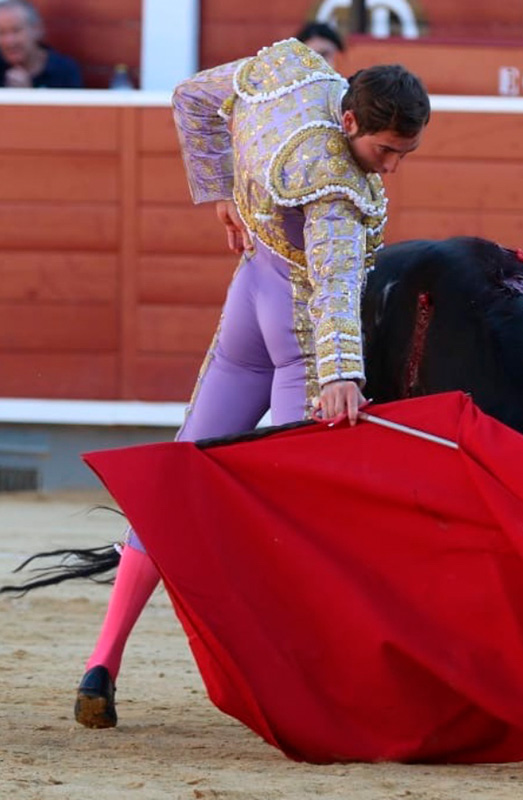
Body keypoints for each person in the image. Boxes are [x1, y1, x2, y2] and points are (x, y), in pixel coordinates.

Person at [73, 37, 430, 729]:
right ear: (351, 122)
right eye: (385, 151)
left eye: (402, 156)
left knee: (177, 479)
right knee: (297, 519)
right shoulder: (338, 190)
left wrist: (219, 192)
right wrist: (342, 376)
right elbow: (331, 286)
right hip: (295, 336)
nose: (389, 168)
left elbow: (192, 98)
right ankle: (301, 687)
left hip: (247, 305)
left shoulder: (287, 71)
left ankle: (102, 662)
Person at [0, 0, 82, 88]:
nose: (9, 41)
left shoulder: (64, 70)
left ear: (36, 29)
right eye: (1, 32)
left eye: (16, 31)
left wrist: (27, 95)